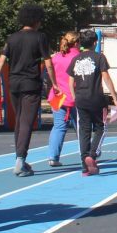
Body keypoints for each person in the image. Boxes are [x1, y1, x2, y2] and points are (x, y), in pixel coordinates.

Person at [0, 4, 56, 177]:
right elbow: (48, 62)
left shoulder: (12, 38)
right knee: (27, 121)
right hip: (30, 84)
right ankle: (20, 158)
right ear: (36, 20)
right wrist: (54, 83)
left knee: (19, 119)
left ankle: (19, 158)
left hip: (14, 83)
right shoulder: (40, 37)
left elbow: (1, 61)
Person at [69, 30, 117, 175]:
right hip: (96, 98)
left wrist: (74, 96)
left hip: (80, 98)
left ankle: (84, 162)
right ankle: (92, 155)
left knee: (83, 130)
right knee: (100, 128)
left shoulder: (76, 59)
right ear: (95, 43)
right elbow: (106, 77)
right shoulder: (99, 57)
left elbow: (70, 80)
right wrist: (115, 97)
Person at [46, 31, 80, 167]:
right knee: (81, 127)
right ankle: (87, 154)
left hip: (58, 95)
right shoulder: (79, 57)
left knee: (58, 126)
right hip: (74, 96)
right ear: (77, 43)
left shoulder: (56, 57)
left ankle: (52, 156)